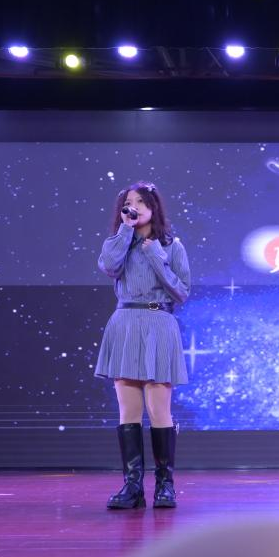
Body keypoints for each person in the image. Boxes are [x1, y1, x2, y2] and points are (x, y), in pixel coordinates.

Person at [95, 182, 191, 510]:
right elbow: (109, 267)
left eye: (140, 201)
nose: (133, 206)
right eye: (128, 202)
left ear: (153, 207)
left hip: (158, 323)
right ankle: (132, 486)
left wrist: (156, 256)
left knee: (159, 409)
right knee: (128, 411)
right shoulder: (118, 242)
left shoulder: (172, 246)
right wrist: (125, 231)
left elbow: (182, 292)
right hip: (125, 322)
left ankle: (165, 486)